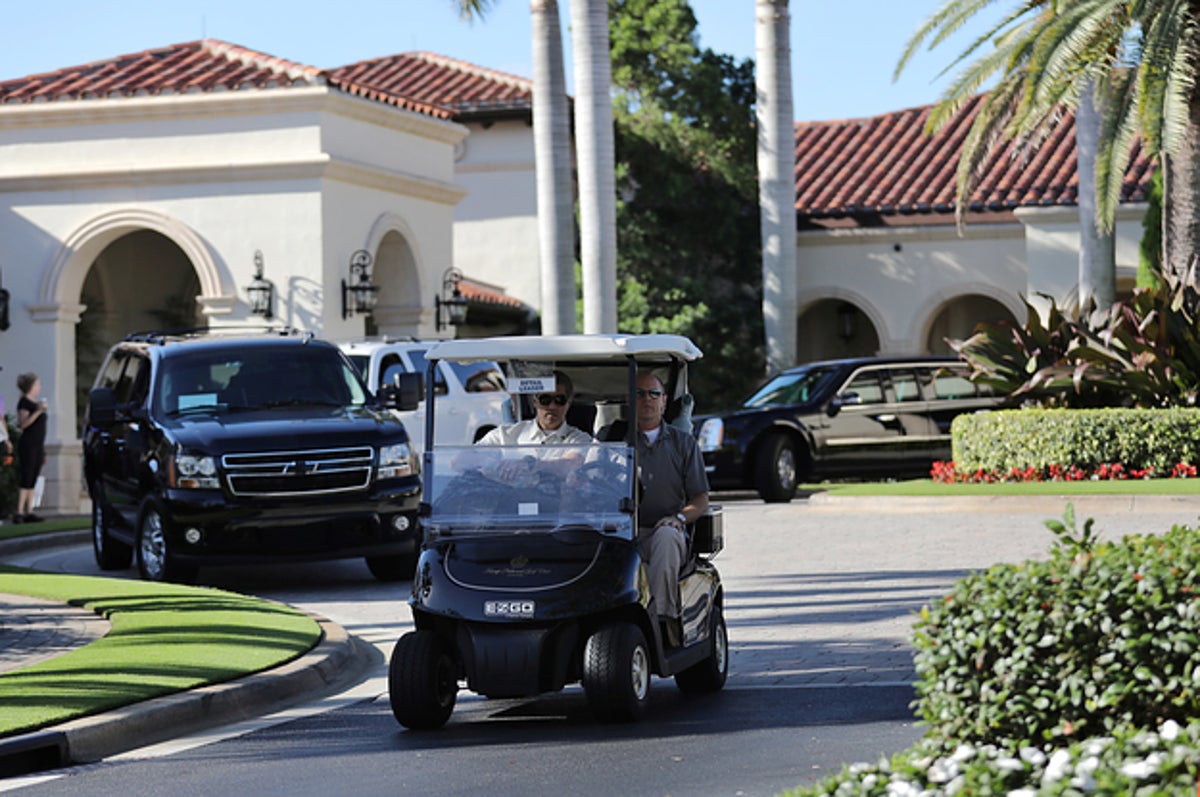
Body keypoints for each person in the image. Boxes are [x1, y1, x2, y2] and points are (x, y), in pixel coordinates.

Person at [633, 371, 709, 648]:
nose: (647, 400)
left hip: (664, 530)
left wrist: (677, 518)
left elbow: (700, 500)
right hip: (621, 531)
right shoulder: (613, 439)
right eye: (639, 394)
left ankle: (662, 622)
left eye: (653, 393)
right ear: (630, 400)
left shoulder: (682, 442)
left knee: (665, 535)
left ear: (664, 401)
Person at [15, 372, 48, 523]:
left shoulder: (35, 403)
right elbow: (23, 424)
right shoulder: (24, 403)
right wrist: (39, 411)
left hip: (38, 444)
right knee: (26, 475)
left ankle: (30, 510)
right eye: (37, 385)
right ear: (31, 387)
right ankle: (20, 511)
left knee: (34, 476)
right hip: (28, 444)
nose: (39, 387)